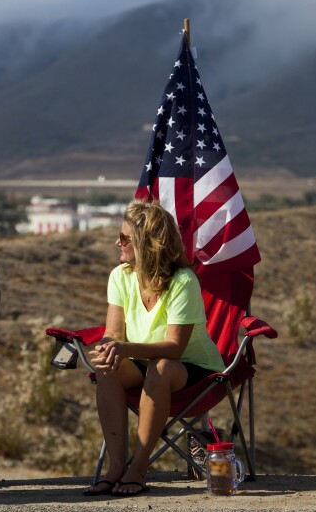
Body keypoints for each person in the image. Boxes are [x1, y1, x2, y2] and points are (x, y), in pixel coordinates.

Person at [82, 199, 225, 497]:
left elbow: (175, 347)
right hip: (147, 363)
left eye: (124, 238)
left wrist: (124, 347)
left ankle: (139, 467)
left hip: (195, 370)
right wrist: (109, 349)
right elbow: (112, 333)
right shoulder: (120, 276)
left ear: (148, 244)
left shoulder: (183, 281)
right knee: (109, 369)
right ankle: (116, 467)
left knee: (160, 367)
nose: (116, 243)